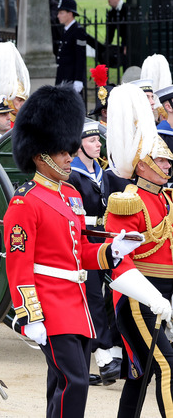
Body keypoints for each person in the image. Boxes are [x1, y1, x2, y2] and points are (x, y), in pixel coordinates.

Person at [3, 84, 161, 418]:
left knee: (60, 382)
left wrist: (112, 250)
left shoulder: (71, 196)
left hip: (77, 305)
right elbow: (19, 265)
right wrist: (29, 314)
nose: (69, 156)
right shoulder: (24, 201)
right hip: (49, 305)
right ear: (39, 153)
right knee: (74, 380)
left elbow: (81, 254)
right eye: (62, 151)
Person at [103, 83, 173, 417]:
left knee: (140, 374)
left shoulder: (167, 199)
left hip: (166, 294)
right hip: (138, 297)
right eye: (160, 159)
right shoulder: (127, 202)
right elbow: (118, 260)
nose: (167, 164)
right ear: (142, 165)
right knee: (168, 367)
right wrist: (152, 297)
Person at [67, 119, 124, 387]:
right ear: (79, 146)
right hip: (84, 240)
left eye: (98, 140)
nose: (98, 144)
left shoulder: (104, 172)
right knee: (92, 298)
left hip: (105, 239)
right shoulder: (72, 176)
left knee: (116, 291)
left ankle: (112, 349)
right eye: (92, 141)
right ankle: (103, 356)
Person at [55, 0, 87, 94]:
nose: (58, 16)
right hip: (63, 77)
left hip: (71, 79)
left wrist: (78, 80)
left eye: (61, 13)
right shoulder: (66, 30)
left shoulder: (78, 31)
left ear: (70, 14)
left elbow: (80, 57)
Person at [106, 0, 128, 70]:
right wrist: (107, 45)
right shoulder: (111, 12)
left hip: (129, 39)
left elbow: (127, 29)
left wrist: (126, 45)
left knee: (127, 60)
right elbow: (110, 30)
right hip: (123, 39)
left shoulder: (125, 8)